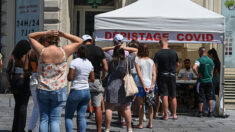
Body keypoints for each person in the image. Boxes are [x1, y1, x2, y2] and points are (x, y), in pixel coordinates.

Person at [28, 30, 83, 132]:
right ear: (57, 41)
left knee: (44, 119)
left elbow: (30, 36)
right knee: (55, 120)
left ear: (46, 40)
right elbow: (79, 41)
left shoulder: (41, 51)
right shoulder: (64, 51)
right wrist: (64, 34)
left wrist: (46, 32)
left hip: (43, 88)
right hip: (59, 89)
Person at [103, 45, 137, 132]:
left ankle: (107, 129)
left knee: (109, 108)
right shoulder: (127, 60)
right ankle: (129, 128)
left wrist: (113, 47)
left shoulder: (110, 60)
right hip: (124, 84)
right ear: (123, 52)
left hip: (112, 83)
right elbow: (136, 50)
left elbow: (101, 50)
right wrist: (125, 48)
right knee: (126, 107)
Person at [65, 45, 95, 132]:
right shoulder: (89, 63)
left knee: (69, 116)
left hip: (76, 90)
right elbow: (92, 78)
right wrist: (84, 79)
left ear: (77, 52)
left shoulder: (74, 62)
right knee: (81, 116)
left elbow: (70, 78)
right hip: (86, 90)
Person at [83, 34, 108, 132]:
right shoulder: (99, 50)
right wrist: (102, 76)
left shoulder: (81, 50)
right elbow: (106, 67)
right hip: (96, 80)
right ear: (92, 41)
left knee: (82, 107)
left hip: (83, 81)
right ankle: (98, 130)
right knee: (98, 107)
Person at [24, 36, 49, 132]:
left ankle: (31, 128)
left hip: (33, 78)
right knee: (42, 107)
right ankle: (40, 128)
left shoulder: (30, 52)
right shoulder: (43, 52)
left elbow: (26, 68)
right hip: (43, 78)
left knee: (36, 106)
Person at [6, 40, 31, 132]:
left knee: (17, 105)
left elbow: (7, 71)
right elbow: (28, 70)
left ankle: (15, 128)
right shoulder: (26, 57)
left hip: (15, 80)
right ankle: (21, 129)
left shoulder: (13, 57)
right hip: (23, 80)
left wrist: (9, 82)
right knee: (23, 106)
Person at [154, 38, 179, 120]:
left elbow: (155, 67)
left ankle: (166, 115)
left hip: (162, 75)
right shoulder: (174, 52)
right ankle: (174, 114)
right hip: (172, 75)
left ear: (160, 44)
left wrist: (154, 76)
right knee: (173, 96)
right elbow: (177, 64)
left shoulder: (158, 53)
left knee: (164, 95)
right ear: (167, 43)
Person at [135, 44, 156, 129]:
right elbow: (154, 74)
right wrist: (152, 85)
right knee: (150, 105)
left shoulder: (138, 61)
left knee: (141, 105)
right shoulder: (151, 61)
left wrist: (143, 85)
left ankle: (140, 124)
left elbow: (139, 75)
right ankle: (150, 123)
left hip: (141, 85)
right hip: (150, 85)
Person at [193, 47, 214, 117]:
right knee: (210, 97)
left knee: (200, 97)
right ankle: (210, 112)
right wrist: (211, 76)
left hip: (201, 81)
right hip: (209, 81)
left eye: (198, 52)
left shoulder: (199, 60)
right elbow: (212, 69)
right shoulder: (211, 60)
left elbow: (194, 67)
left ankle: (200, 112)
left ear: (200, 52)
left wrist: (197, 74)